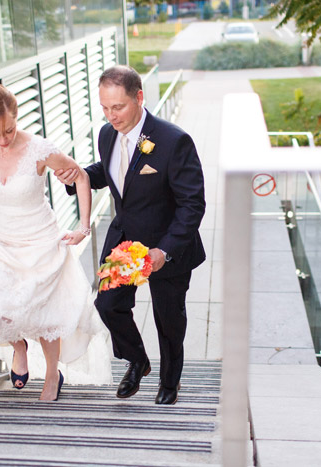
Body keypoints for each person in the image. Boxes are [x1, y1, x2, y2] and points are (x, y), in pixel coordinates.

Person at [56, 65, 206, 405]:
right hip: (125, 239)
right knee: (108, 304)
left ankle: (170, 381)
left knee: (168, 319)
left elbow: (192, 204)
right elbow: (114, 174)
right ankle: (137, 359)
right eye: (105, 108)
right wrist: (79, 175)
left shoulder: (174, 140)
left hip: (167, 245)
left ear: (139, 97)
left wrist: (163, 251)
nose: (111, 116)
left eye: (118, 107)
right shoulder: (108, 134)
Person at [0, 83, 110, 400]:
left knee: (44, 316)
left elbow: (81, 175)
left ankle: (52, 374)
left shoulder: (40, 149)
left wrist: (83, 226)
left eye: (9, 130)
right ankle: (18, 347)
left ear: (16, 117)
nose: (3, 140)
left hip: (38, 238)